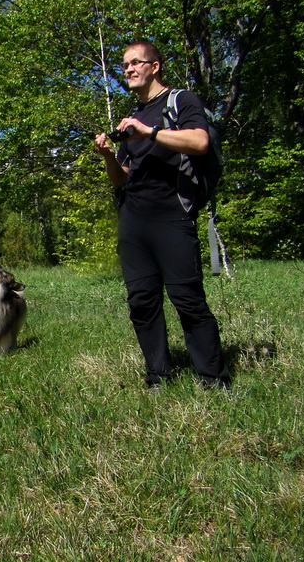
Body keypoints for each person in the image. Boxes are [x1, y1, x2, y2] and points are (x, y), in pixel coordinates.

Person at [93, 40, 231, 390]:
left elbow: (199, 142)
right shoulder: (132, 119)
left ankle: (213, 379)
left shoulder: (181, 101)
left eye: (135, 63)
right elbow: (121, 178)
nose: (128, 70)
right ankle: (157, 378)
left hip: (172, 216)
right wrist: (110, 156)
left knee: (188, 300)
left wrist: (151, 132)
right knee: (142, 302)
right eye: (124, 66)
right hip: (133, 220)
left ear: (155, 66)